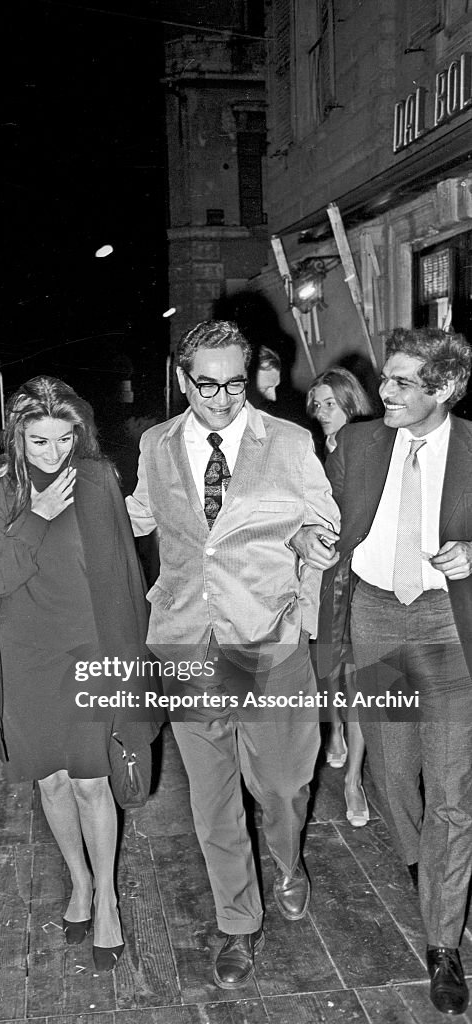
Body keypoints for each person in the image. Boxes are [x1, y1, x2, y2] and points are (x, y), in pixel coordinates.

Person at [126, 320, 340, 990]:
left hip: (267, 641)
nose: (220, 397)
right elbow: (136, 515)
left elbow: (320, 518)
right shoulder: (157, 444)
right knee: (213, 796)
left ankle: (286, 861)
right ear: (182, 376)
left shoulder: (290, 441)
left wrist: (311, 545)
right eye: (205, 383)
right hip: (191, 641)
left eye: (234, 383)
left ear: (249, 377)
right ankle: (237, 922)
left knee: (281, 785)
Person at [0, 375, 157, 973]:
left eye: (64, 440)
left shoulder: (97, 480)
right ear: (18, 437)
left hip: (88, 647)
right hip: (26, 656)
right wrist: (37, 515)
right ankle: (79, 883)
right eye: (39, 442)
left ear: (80, 434)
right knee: (51, 781)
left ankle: (108, 901)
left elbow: (125, 578)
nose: (53, 454)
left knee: (94, 780)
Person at [317, 327, 472, 1016]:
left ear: (445, 388)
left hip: (444, 626)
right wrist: (304, 535)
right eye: (386, 378)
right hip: (376, 618)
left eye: (403, 382)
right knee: (390, 776)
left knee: (450, 793)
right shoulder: (357, 443)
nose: (385, 391)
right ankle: (427, 868)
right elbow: (315, 512)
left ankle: (442, 943)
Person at [306, 367, 374, 829]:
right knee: (328, 666)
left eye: (331, 403)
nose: (322, 412)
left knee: (361, 679)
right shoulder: (314, 451)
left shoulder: (369, 446)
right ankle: (333, 735)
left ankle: (353, 780)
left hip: (361, 575)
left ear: (351, 403)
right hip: (326, 577)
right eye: (318, 404)